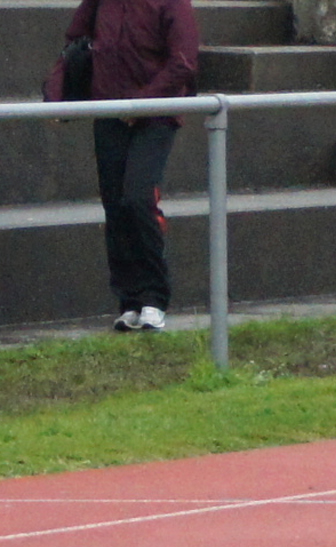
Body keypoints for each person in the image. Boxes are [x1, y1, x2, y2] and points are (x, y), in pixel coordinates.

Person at [60, 0, 199, 333]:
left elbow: (183, 62)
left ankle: (154, 298)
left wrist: (142, 103)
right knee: (115, 206)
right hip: (109, 113)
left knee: (138, 199)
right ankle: (130, 301)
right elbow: (76, 36)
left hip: (157, 116)